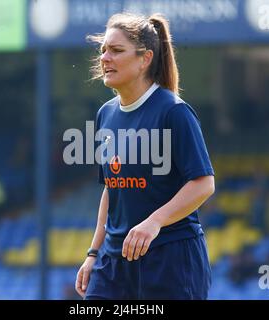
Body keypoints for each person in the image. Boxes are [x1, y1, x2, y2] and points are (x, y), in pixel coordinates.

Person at [75, 13, 215, 300]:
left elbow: (203, 183)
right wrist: (93, 253)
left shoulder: (174, 112)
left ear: (145, 59)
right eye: (103, 50)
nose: (105, 58)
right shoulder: (106, 114)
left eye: (116, 50)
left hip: (171, 260)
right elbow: (111, 190)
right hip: (114, 264)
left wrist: (154, 222)